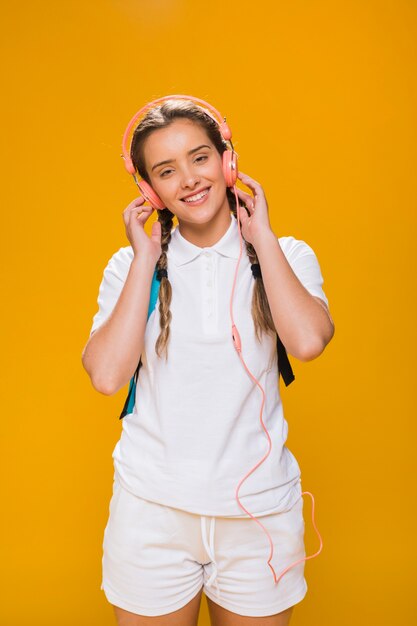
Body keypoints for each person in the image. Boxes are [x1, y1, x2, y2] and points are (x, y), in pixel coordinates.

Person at [81, 96, 335, 626]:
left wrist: (261, 237)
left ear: (228, 161)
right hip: (152, 512)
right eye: (166, 171)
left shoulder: (285, 253)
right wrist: (146, 257)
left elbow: (309, 341)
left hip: (258, 513)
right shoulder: (129, 266)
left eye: (200, 158)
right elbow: (106, 376)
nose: (190, 180)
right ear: (149, 189)